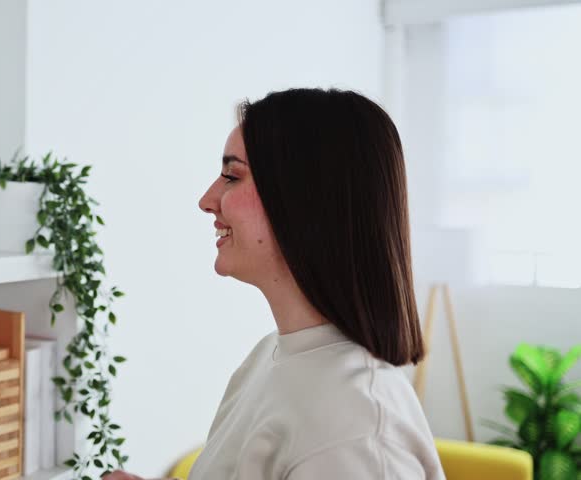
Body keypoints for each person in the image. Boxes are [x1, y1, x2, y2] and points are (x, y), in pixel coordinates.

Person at [104, 88, 445, 479]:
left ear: (305, 201)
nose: (207, 199)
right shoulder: (269, 358)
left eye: (232, 176)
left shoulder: (357, 432)